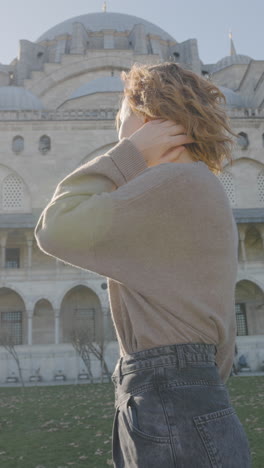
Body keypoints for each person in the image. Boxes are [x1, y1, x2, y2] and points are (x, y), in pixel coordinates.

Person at [34, 62, 252, 467]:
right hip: (181, 398)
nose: (117, 122)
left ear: (147, 116)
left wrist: (127, 156)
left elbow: (54, 228)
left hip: (168, 400)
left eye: (122, 112)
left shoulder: (172, 182)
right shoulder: (192, 184)